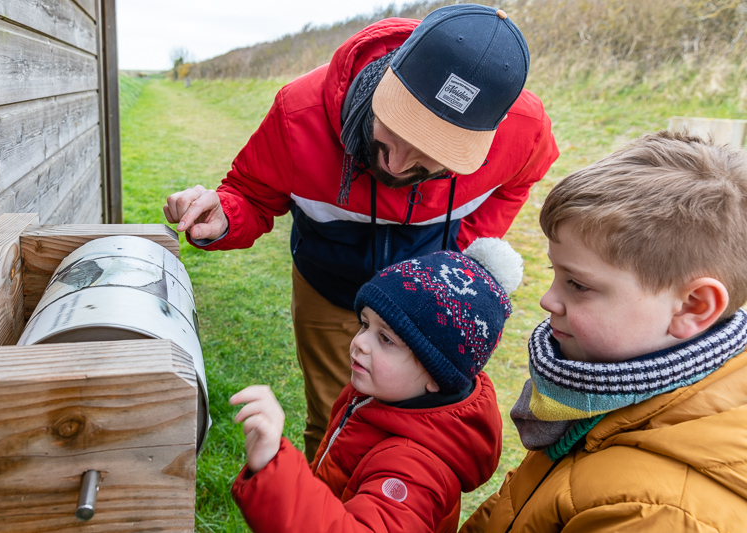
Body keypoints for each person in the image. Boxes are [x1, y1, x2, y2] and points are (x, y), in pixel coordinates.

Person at [164, 4, 559, 460]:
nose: (397, 164)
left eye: (436, 150)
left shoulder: (525, 130)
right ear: (390, 76)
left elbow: (518, 182)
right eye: (400, 125)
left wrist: (460, 256)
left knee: (417, 434)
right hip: (327, 286)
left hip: (427, 309)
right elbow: (251, 194)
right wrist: (226, 216)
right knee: (334, 418)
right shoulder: (300, 112)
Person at [460, 131, 747, 533]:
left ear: (693, 306)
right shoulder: (599, 392)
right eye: (554, 274)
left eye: (577, 285)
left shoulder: (657, 514)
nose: (547, 300)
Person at [230, 238, 524, 532]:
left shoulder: (415, 470)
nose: (359, 342)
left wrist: (274, 468)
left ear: (437, 375)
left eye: (386, 339)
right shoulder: (379, 396)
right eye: (364, 324)